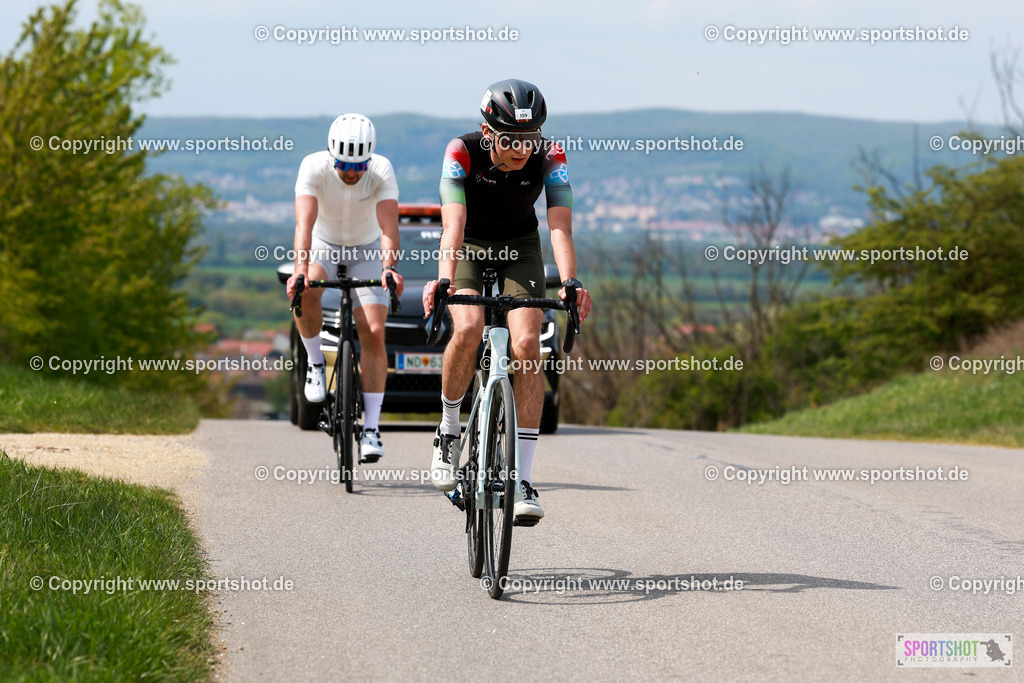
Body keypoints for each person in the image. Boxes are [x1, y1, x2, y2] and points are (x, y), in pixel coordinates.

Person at [423, 79, 592, 525]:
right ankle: (448, 428)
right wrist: (444, 279)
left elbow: (559, 225)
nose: (522, 149)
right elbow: (453, 223)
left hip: (520, 246)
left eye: (530, 138)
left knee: (527, 347)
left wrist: (571, 280)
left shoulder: (550, 155)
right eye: (512, 139)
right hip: (471, 245)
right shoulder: (460, 151)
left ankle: (522, 479)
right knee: (467, 327)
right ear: (487, 131)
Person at [285, 113, 404, 462]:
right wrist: (301, 269)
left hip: (367, 247)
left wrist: (388, 268)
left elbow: (388, 228)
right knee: (304, 293)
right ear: (330, 155)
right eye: (342, 164)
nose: (351, 172)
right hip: (325, 242)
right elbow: (303, 224)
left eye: (359, 166)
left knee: (375, 330)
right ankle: (316, 363)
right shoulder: (313, 167)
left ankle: (371, 429)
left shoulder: (382, 170)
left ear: (369, 159)